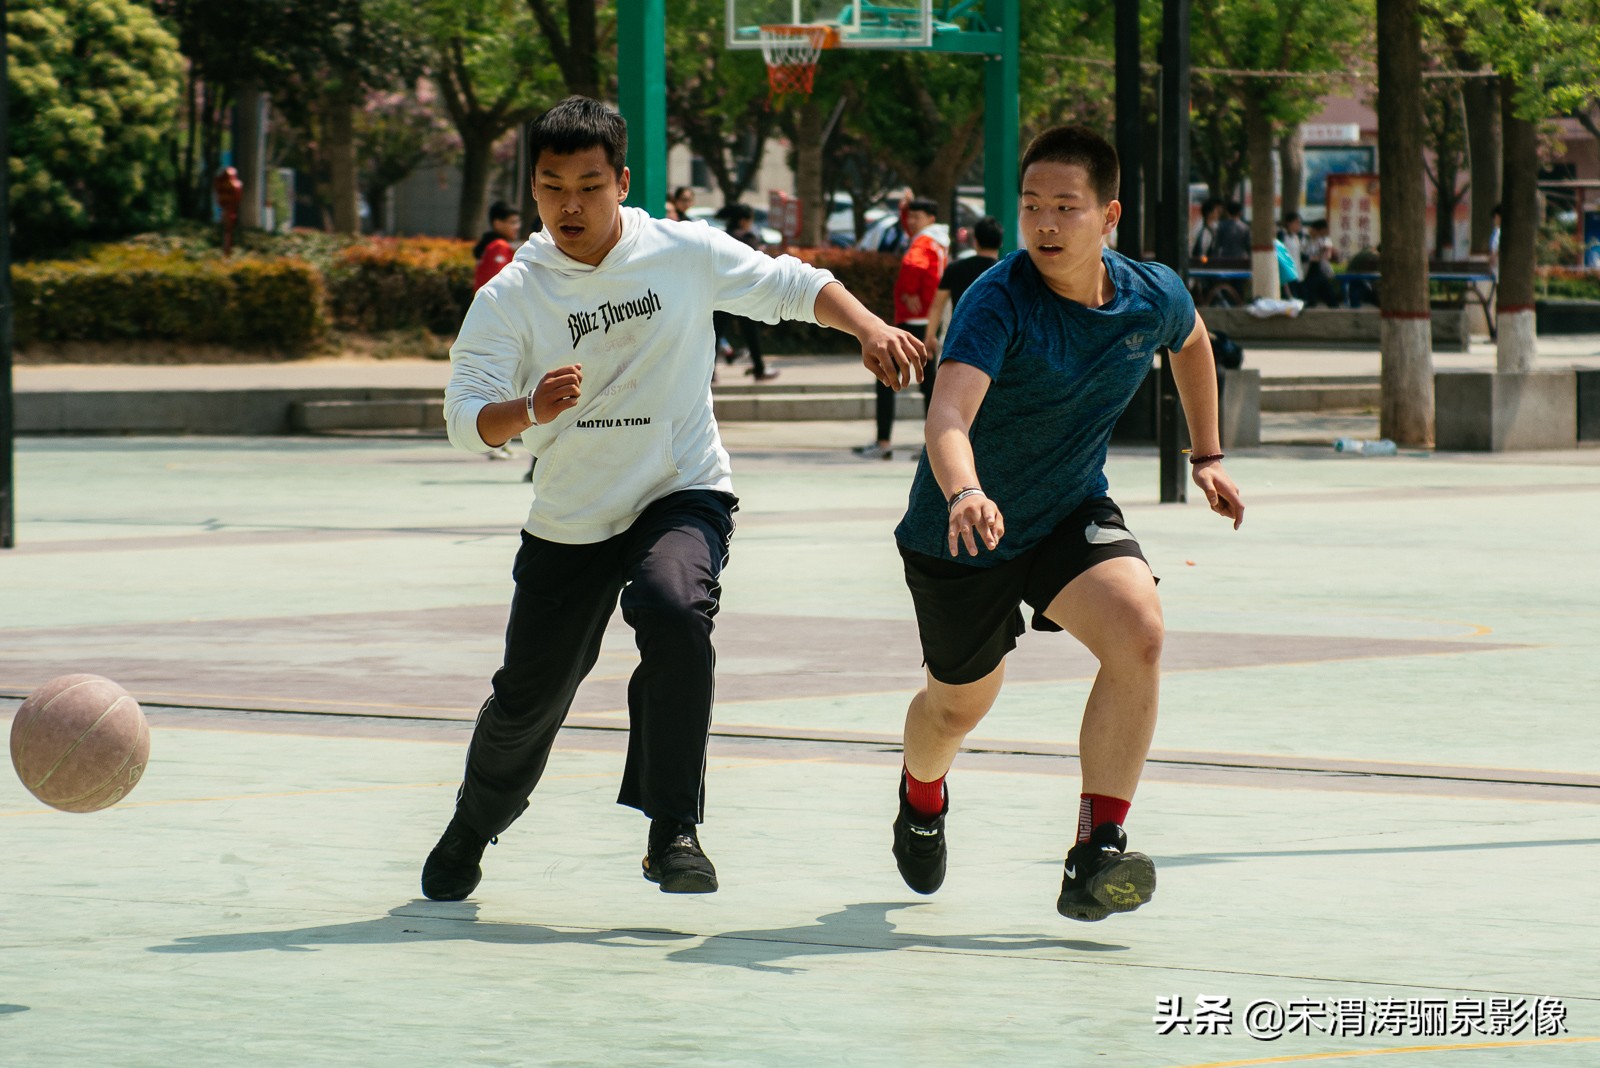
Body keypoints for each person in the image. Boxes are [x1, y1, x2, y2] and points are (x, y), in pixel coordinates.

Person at [424, 96, 925, 902]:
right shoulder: (510, 295)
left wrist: (869, 329)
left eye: (590, 185)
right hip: (573, 515)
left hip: (681, 489)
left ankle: (673, 830)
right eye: (553, 188)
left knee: (672, 608)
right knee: (530, 693)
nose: (571, 206)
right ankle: (472, 825)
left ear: (622, 182)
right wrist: (528, 411)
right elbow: (461, 420)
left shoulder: (684, 252)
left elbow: (794, 285)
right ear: (535, 192)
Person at [886, 124, 1245, 923]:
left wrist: (1207, 454)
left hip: (1067, 512)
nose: (1045, 224)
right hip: (962, 530)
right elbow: (948, 414)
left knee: (1139, 629)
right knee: (957, 707)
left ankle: (1096, 851)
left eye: (1066, 208)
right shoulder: (999, 299)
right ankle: (921, 793)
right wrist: (965, 493)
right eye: (1032, 206)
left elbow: (1190, 344)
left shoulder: (1149, 293)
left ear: (1108, 215)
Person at [854, 197, 949, 460]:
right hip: (929, 321)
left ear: (930, 219)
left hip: (912, 321)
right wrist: (903, 206)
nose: (911, 222)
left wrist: (909, 291)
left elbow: (911, 265)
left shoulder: (922, 242)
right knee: (929, 383)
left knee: (886, 375)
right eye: (910, 216)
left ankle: (883, 442)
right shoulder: (939, 241)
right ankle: (935, 446)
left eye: (916, 217)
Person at [474, 202, 524, 460]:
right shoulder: (500, 248)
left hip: (487, 322)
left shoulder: (489, 246)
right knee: (503, 381)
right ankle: (495, 440)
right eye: (512, 222)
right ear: (498, 223)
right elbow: (501, 285)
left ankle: (497, 441)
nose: (517, 227)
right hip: (498, 323)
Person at [713, 203, 779, 381]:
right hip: (744, 292)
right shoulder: (748, 237)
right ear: (743, 221)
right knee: (750, 332)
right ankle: (759, 368)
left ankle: (709, 373)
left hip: (721, 291)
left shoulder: (723, 236)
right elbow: (755, 263)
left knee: (714, 334)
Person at [923, 215, 1002, 359]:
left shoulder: (955, 268)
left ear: (975, 241)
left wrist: (930, 336)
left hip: (960, 338)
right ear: (1000, 243)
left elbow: (937, 305)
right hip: (996, 341)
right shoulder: (1005, 272)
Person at [1300, 218, 1340, 308]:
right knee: (1310, 301)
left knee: (1331, 298)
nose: (1322, 235)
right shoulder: (1303, 238)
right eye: (1321, 232)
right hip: (1307, 273)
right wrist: (1313, 258)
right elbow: (1300, 256)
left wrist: (1327, 252)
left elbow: (1328, 255)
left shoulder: (1322, 239)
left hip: (1318, 271)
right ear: (1315, 230)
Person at [1190, 198, 1222, 262]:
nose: (1218, 214)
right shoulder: (1199, 228)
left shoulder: (1217, 227)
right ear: (1209, 213)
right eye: (1216, 211)